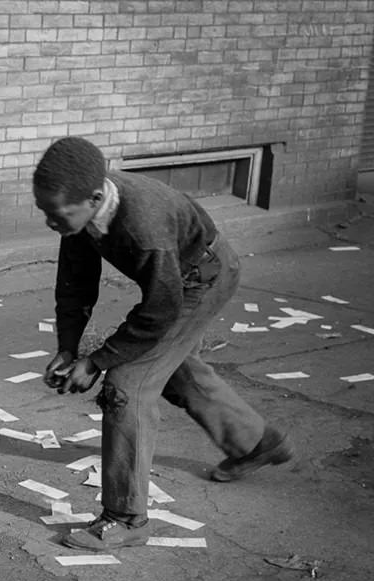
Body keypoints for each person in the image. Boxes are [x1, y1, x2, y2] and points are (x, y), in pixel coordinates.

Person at [34, 136, 293, 551]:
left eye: (56, 214)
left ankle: (126, 518)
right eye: (43, 211)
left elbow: (160, 311)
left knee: (128, 385)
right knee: (171, 371)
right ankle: (257, 443)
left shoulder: (143, 227)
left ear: (96, 196)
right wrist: (68, 348)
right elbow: (75, 285)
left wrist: (97, 362)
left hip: (201, 279)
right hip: (174, 281)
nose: (49, 222)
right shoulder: (80, 207)